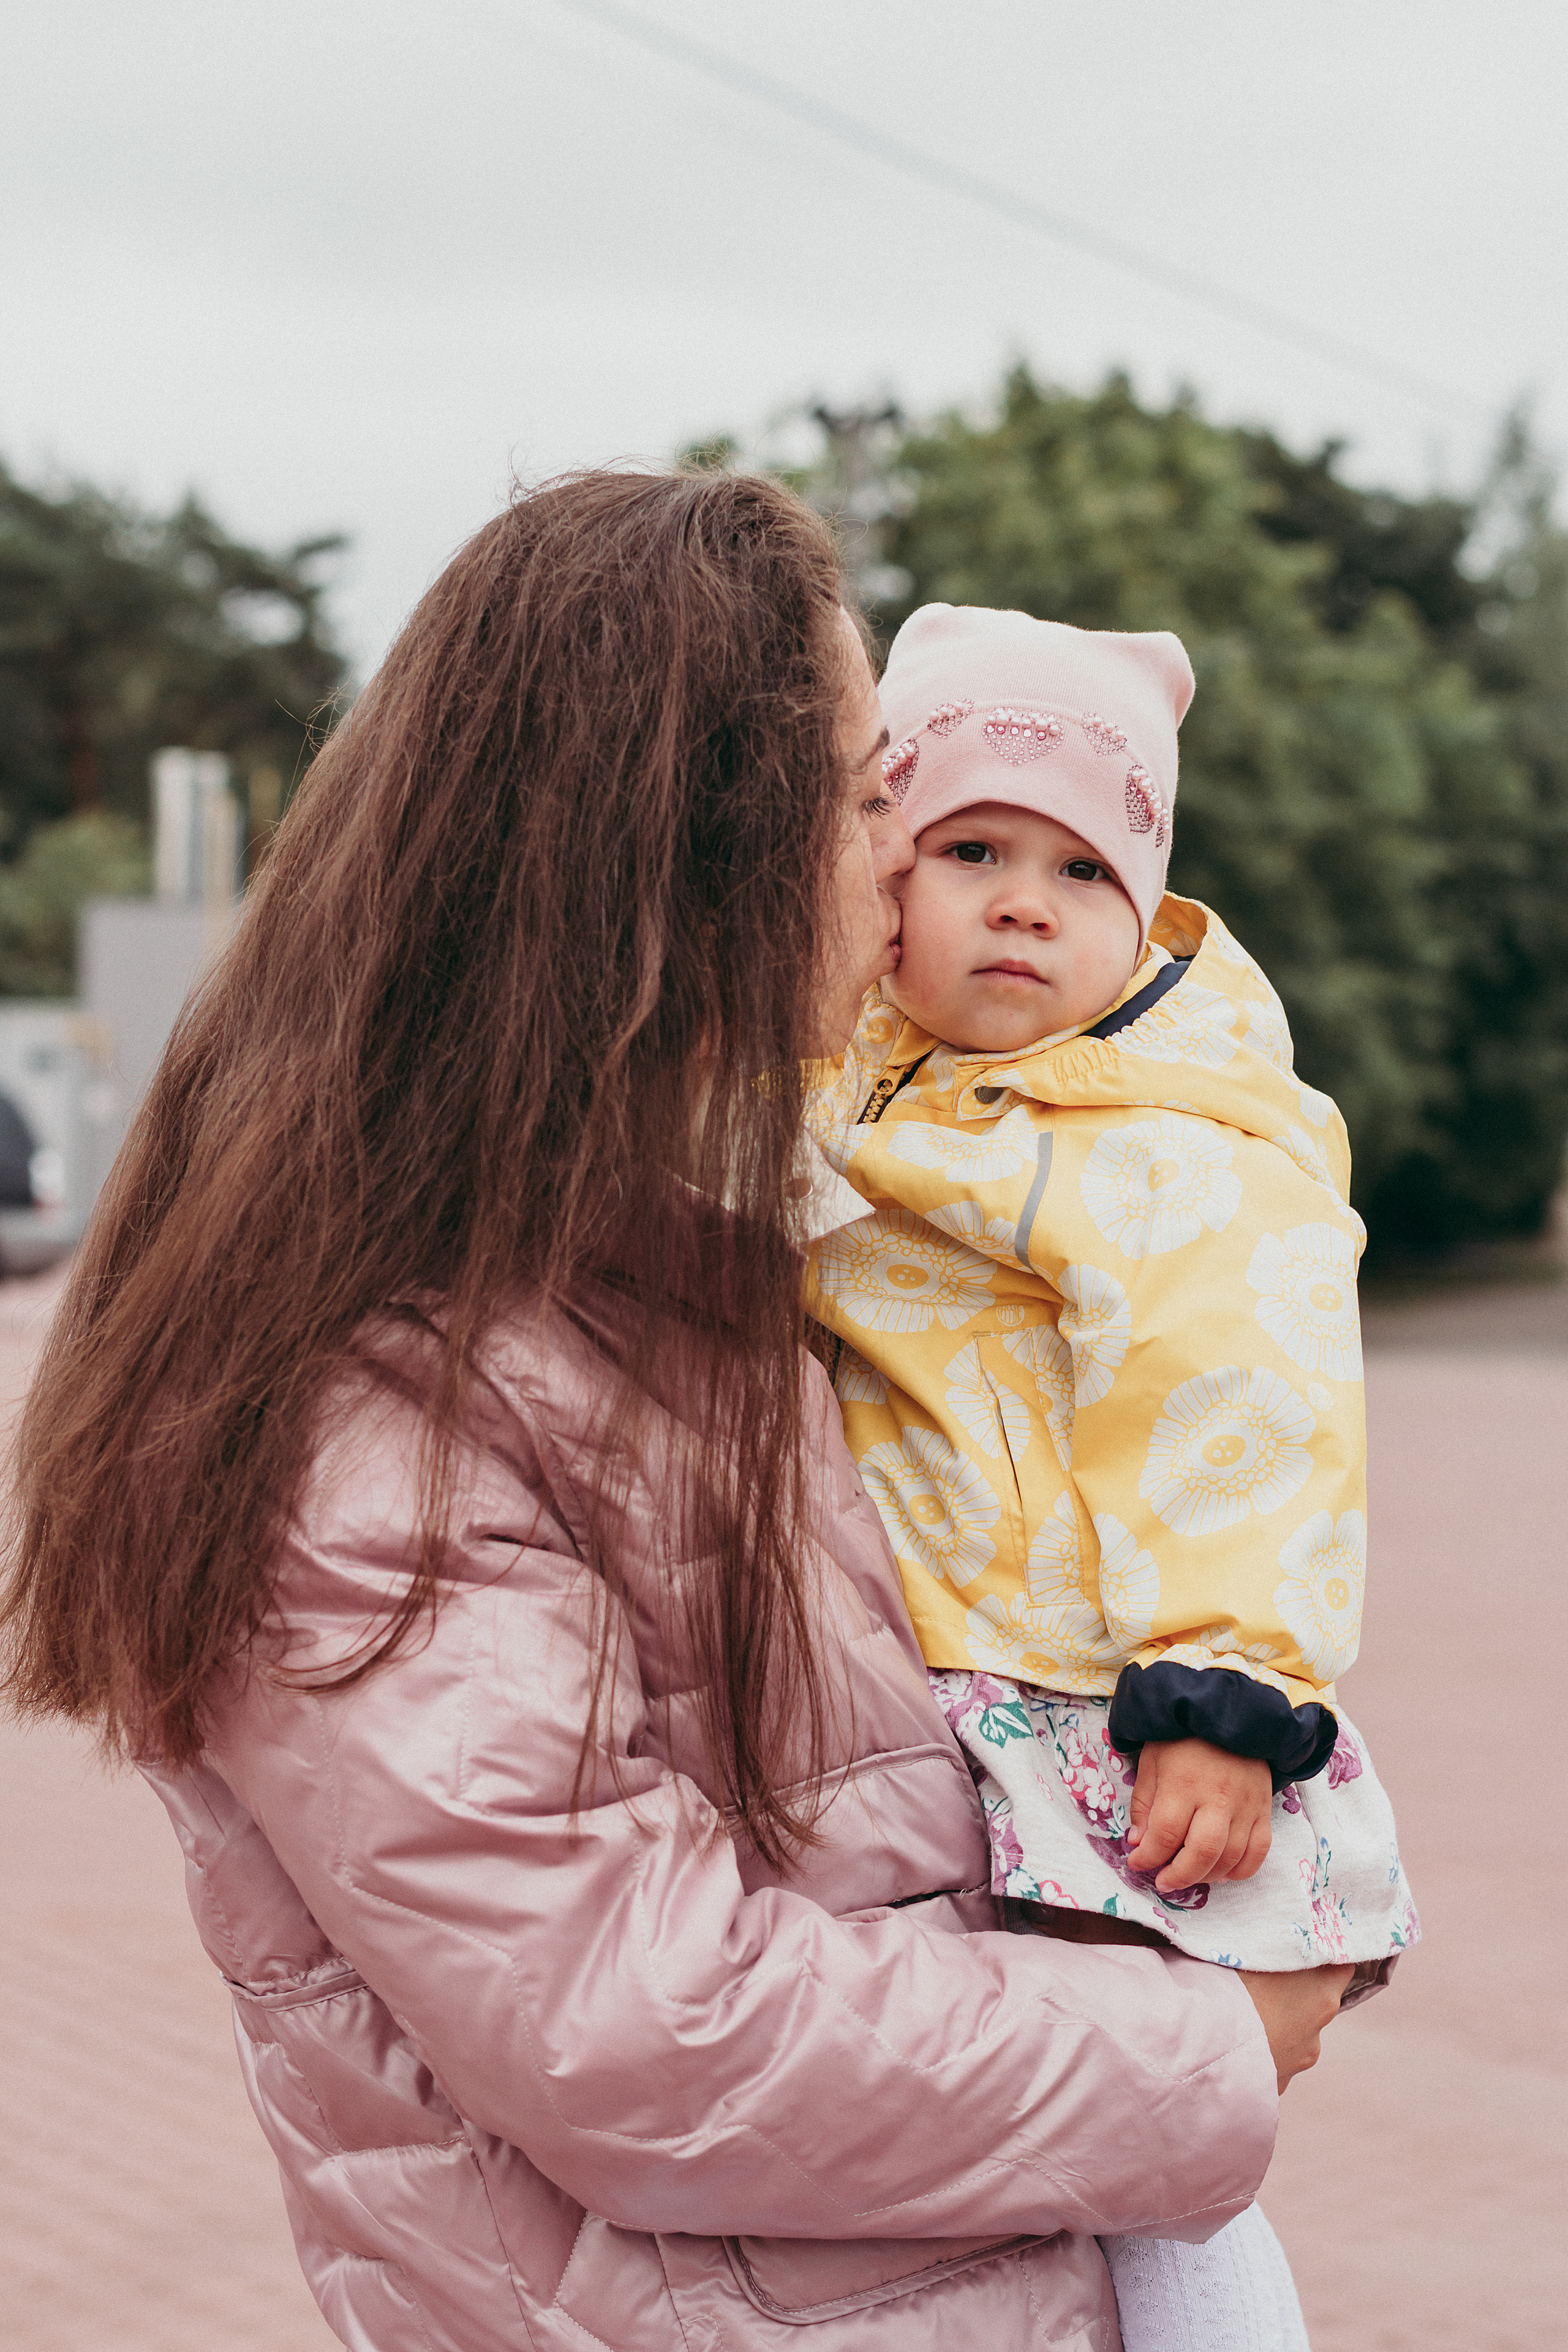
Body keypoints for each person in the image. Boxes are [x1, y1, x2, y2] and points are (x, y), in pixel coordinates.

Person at [2, 476, 1343, 2352]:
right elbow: (640, 2028)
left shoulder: (688, 1281)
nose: (909, 856)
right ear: (695, 860)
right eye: (865, 795)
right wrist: (1205, 2042)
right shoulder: (372, 1404)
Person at [807, 602, 1417, 2346]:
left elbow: (1251, 1409)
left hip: (1105, 1712)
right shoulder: (857, 1094)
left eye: (1083, 870)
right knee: (1008, 2142)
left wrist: (1220, 1696)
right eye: (971, 850)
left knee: (1152, 2144)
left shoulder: (1174, 1146)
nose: (1024, 903)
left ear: (1143, 912)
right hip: (938, 1696)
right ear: (875, 872)